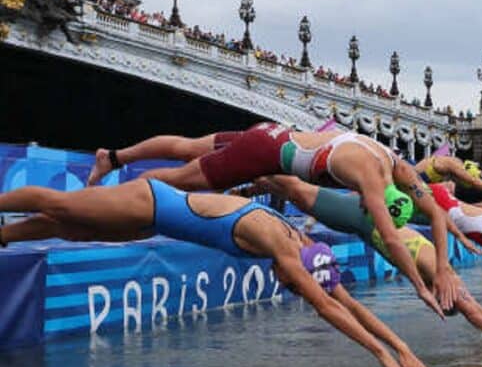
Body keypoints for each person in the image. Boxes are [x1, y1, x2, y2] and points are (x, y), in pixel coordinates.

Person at [0, 180, 441, 367]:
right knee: (59, 204)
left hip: (149, 219)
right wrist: (381, 356)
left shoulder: (301, 243)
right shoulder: (282, 245)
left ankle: (4, 235)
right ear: (298, 269)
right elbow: (328, 309)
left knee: (72, 229)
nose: (286, 288)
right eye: (293, 286)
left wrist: (402, 346)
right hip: (150, 200)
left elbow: (344, 302)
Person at [86, 123, 460, 313]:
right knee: (182, 180)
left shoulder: (396, 164)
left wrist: (442, 267)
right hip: (263, 152)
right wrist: (421, 288)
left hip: (270, 132)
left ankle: (114, 158)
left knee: (187, 147)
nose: (364, 205)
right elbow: (392, 238)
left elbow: (435, 214)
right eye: (370, 204)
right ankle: (128, 195)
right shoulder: (373, 179)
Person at [241, 176, 482, 334]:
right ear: (443, 300)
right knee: (296, 190)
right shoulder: (441, 277)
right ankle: (248, 187)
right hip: (363, 221)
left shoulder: (439, 275)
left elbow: (477, 309)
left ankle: (249, 188)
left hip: (364, 219)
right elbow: (472, 310)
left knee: (296, 190)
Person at [414, 156, 482, 206]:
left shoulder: (439, 160)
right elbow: (474, 181)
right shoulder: (452, 164)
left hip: (415, 183)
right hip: (415, 186)